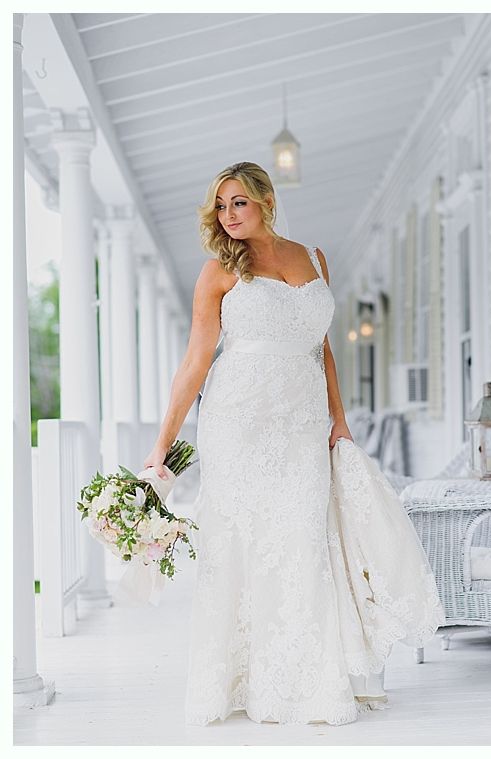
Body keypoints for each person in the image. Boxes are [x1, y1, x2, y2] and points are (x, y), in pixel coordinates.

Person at [143, 162, 443, 726]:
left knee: (303, 537)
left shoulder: (314, 257)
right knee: (245, 540)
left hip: (302, 422)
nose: (229, 215)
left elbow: (321, 348)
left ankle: (306, 681)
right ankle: (240, 680)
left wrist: (339, 418)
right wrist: (163, 442)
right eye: (222, 206)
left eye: (239, 203)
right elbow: (195, 361)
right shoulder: (217, 273)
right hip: (239, 420)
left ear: (266, 200)